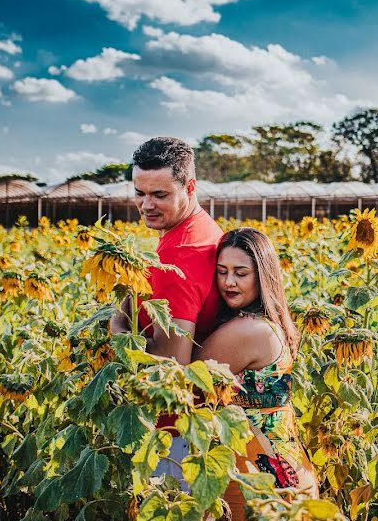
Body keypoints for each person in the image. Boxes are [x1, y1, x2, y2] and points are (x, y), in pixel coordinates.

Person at [109, 136, 224, 488]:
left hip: (172, 431)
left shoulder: (182, 254)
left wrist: (116, 323)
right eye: (139, 193)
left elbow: (169, 364)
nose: (146, 205)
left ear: (190, 187)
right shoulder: (197, 228)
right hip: (193, 422)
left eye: (159, 195)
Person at [194, 227, 318, 520]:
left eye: (241, 272)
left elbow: (180, 378)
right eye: (222, 271)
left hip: (257, 482)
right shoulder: (271, 323)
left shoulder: (247, 331)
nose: (229, 282)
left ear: (263, 276)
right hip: (283, 470)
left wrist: (121, 328)